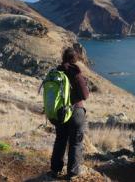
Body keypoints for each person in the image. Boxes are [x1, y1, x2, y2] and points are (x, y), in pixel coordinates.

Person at [49, 47, 89, 180]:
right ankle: (72, 173)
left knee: (60, 140)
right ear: (75, 59)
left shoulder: (56, 72)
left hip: (60, 113)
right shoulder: (76, 73)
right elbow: (85, 95)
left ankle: (55, 170)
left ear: (63, 58)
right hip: (75, 111)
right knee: (75, 143)